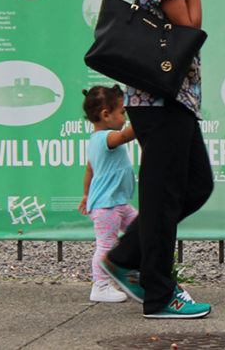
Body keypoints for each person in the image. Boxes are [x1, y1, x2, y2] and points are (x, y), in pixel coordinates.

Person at [99, 0, 215, 319]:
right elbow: (191, 29)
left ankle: (126, 256)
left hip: (172, 104)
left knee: (196, 186)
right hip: (161, 103)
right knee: (164, 198)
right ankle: (159, 295)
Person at [78, 85, 137, 303]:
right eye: (123, 112)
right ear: (105, 115)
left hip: (118, 203)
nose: (125, 116)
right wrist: (143, 119)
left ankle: (131, 273)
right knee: (105, 245)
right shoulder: (104, 138)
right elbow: (123, 137)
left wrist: (85, 195)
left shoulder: (96, 141)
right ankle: (100, 286)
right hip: (106, 207)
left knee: (141, 229)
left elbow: (89, 170)